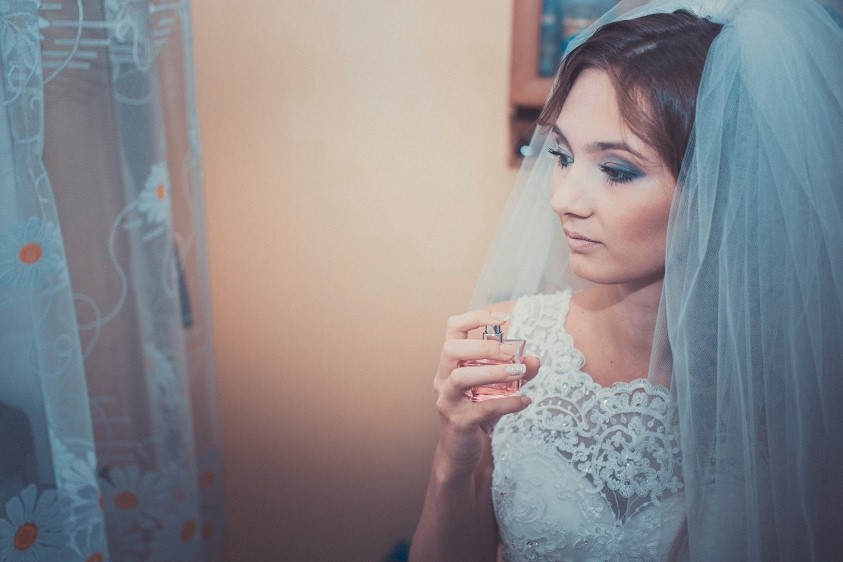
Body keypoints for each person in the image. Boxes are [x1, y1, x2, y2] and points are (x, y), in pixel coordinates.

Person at [410, 0, 843, 560]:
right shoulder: (508, 344)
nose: (563, 200)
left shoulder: (802, 381)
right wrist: (455, 455)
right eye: (562, 155)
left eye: (616, 170)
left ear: (721, 185)